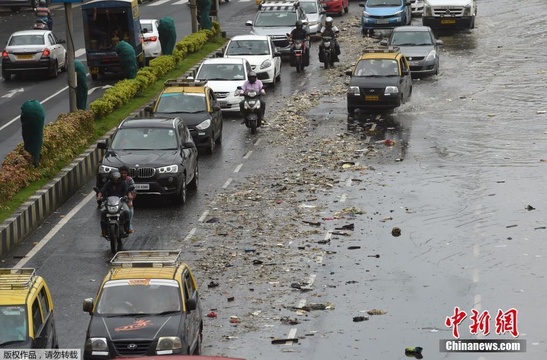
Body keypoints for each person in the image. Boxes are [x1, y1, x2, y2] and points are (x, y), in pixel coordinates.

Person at [96, 170, 130, 237]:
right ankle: (103, 230)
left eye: (117, 178)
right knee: (103, 212)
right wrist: (99, 197)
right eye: (114, 178)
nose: (115, 180)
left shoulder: (123, 183)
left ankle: (127, 228)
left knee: (127, 211)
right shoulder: (108, 184)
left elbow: (127, 191)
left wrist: (128, 196)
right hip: (109, 202)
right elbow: (102, 190)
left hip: (121, 201)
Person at [119, 166, 136, 233]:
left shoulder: (129, 180)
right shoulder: (115, 180)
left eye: (125, 173)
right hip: (116, 199)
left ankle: (129, 225)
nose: (123, 175)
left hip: (126, 199)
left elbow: (133, 189)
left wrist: (130, 198)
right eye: (121, 173)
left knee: (129, 211)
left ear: (127, 173)